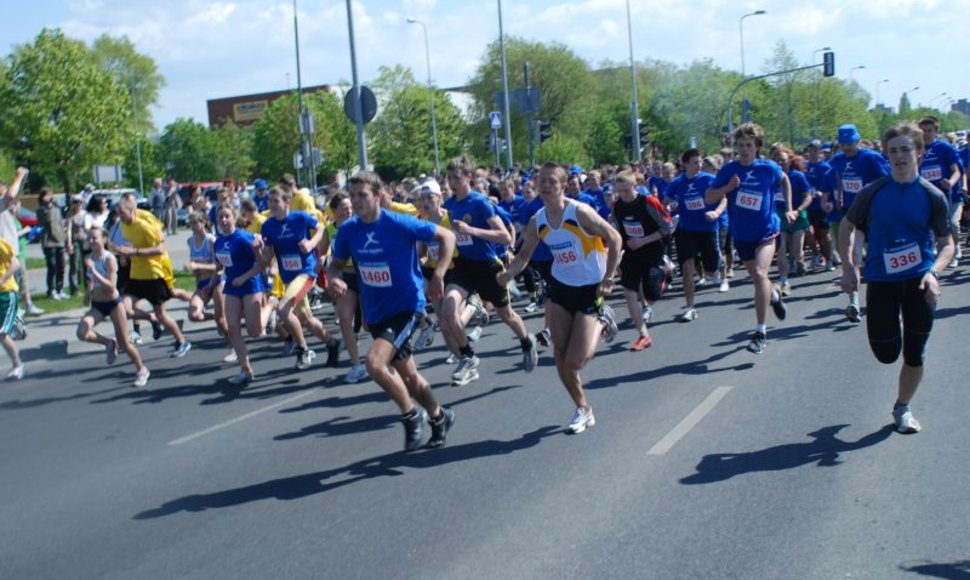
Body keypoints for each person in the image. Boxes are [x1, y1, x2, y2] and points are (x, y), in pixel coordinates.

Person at [329, 171, 457, 450]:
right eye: (352, 195)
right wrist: (334, 277)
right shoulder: (348, 230)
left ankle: (411, 416)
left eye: (362, 195)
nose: (356, 201)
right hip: (375, 311)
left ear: (378, 196)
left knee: (375, 364)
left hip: (406, 306)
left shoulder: (399, 223)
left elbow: (447, 236)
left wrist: (439, 275)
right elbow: (336, 264)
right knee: (409, 376)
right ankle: (439, 416)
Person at [839, 122, 953, 434]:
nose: (899, 156)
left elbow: (947, 244)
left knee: (915, 352)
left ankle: (902, 408)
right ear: (886, 155)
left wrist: (934, 273)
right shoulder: (872, 193)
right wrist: (849, 267)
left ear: (918, 152)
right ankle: (894, 329)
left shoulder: (932, 196)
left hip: (919, 281)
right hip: (882, 282)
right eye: (893, 151)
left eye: (905, 149)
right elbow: (847, 227)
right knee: (887, 353)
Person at [498, 163, 621, 433]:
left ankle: (603, 319)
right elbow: (523, 256)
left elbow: (614, 237)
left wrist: (609, 277)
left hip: (590, 289)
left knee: (576, 361)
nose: (545, 185)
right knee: (560, 355)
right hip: (560, 287)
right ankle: (583, 408)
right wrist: (508, 275)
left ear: (563, 186)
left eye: (551, 181)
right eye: (541, 181)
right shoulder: (537, 220)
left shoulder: (580, 212)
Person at [440, 156, 537, 386]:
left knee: (506, 315)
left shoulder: (479, 202)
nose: (453, 182)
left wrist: (471, 230)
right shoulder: (450, 204)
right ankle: (468, 356)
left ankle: (526, 341)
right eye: (450, 178)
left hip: (487, 266)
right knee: (448, 308)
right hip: (463, 266)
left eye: (457, 178)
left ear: (469, 178)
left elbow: (503, 235)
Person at [706, 123, 792, 354]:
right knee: (758, 279)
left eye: (749, 145)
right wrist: (727, 186)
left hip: (766, 230)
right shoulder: (729, 170)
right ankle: (773, 294)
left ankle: (760, 332)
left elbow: (784, 180)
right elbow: (708, 197)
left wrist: (790, 208)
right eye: (741, 145)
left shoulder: (768, 168)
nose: (744, 150)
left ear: (757, 147)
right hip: (742, 235)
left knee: (760, 274)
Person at [260, 185, 340, 370]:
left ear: (287, 202)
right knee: (306, 319)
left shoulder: (300, 217)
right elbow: (267, 255)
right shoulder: (268, 226)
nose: (272, 205)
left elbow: (321, 227)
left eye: (276, 201)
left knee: (283, 309)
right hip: (288, 276)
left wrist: (311, 244)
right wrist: (260, 251)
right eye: (269, 201)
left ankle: (303, 349)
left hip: (305, 271)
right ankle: (331, 342)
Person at [823, 124, 890, 322]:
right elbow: (839, 179)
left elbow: (888, 180)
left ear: (858, 140)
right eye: (843, 143)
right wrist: (836, 200)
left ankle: (887, 298)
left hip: (876, 215)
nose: (847, 147)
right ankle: (854, 303)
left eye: (850, 143)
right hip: (853, 216)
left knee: (878, 257)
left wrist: (872, 192)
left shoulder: (871, 158)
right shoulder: (837, 161)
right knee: (852, 258)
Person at [115, 194, 192, 357]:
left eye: (122, 213)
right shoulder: (123, 226)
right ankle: (151, 318)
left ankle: (182, 341)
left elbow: (160, 249)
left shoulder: (143, 226)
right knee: (125, 308)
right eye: (118, 213)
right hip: (136, 275)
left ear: (132, 211)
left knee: (162, 314)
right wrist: (124, 257)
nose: (120, 217)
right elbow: (130, 248)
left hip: (153, 274)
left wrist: (134, 252)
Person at [75, 226, 150, 387]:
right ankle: (109, 343)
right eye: (90, 238)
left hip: (114, 304)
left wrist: (94, 272)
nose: (91, 241)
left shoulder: (108, 259)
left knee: (125, 343)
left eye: (94, 238)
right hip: (97, 304)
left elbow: (111, 287)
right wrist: (87, 294)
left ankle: (142, 369)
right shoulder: (89, 258)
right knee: (82, 332)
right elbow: (90, 283)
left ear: (103, 239)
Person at [664, 149, 727, 323]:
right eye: (695, 162)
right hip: (687, 230)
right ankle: (690, 307)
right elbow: (664, 203)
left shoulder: (708, 179)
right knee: (687, 269)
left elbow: (724, 197)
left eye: (700, 162)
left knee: (711, 267)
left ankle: (720, 268)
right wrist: (668, 209)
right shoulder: (677, 182)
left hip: (707, 228)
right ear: (685, 164)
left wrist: (716, 212)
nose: (699, 165)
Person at [614, 170, 673, 349]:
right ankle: (643, 335)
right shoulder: (617, 206)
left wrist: (643, 240)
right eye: (619, 191)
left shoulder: (648, 202)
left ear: (635, 186)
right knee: (629, 293)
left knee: (651, 296)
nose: (623, 195)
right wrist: (617, 257)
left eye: (626, 190)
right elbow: (620, 233)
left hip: (652, 251)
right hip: (632, 253)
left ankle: (667, 271)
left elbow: (667, 227)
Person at [214, 204, 268, 385]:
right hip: (232, 287)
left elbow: (262, 265)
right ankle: (246, 369)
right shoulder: (218, 241)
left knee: (255, 332)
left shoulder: (245, 238)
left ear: (234, 217)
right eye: (221, 217)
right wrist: (212, 281)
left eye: (227, 216)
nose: (224, 220)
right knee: (233, 328)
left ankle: (272, 306)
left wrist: (243, 277)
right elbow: (221, 265)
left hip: (251, 284)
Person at [322, 192, 369, 384]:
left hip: (365, 275)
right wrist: (322, 262)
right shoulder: (329, 230)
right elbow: (322, 251)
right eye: (344, 209)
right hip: (345, 276)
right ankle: (357, 365)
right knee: (344, 319)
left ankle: (390, 353)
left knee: (368, 323)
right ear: (334, 212)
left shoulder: (361, 225)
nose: (348, 211)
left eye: (350, 208)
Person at [185, 211, 232, 362]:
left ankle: (233, 347)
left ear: (204, 222)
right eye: (192, 223)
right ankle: (216, 318)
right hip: (202, 283)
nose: (194, 225)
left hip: (217, 281)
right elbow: (194, 264)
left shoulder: (211, 240)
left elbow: (219, 266)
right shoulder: (190, 241)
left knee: (222, 320)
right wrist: (195, 272)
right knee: (194, 315)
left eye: (197, 222)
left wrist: (196, 265)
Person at [916, 116, 964, 267]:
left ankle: (955, 249)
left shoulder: (944, 148)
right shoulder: (916, 150)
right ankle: (936, 253)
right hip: (928, 196)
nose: (926, 134)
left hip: (951, 195)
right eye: (923, 131)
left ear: (936, 131)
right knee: (930, 227)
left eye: (929, 130)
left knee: (953, 225)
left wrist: (951, 182)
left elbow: (957, 171)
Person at [0, 237, 25, 380]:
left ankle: (18, 365)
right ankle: (16, 320)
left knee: (2, 333)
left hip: (6, 293)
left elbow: (16, 263)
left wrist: (2, 279)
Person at [36, 187, 67, 300]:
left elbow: (61, 221)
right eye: (47, 195)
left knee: (61, 266)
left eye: (50, 194)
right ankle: (51, 290)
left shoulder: (56, 207)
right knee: (52, 266)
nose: (50, 197)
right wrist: (48, 206)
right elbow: (44, 221)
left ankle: (60, 288)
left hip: (60, 240)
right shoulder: (41, 209)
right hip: (49, 242)